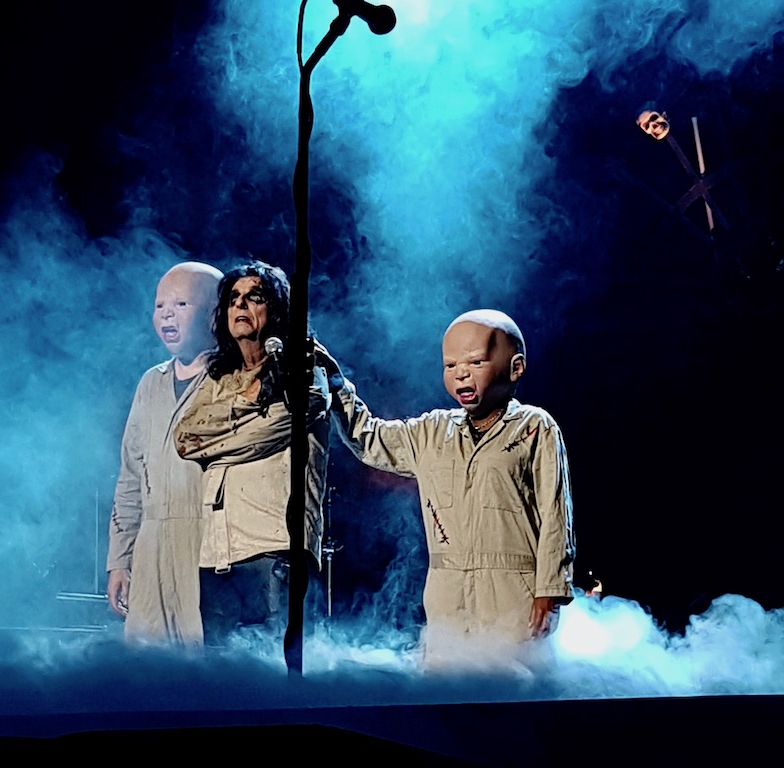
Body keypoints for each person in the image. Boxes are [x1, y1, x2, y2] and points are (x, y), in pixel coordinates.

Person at [332, 309, 575, 667]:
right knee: (446, 692)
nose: (461, 372)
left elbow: (556, 514)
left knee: (513, 691)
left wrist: (550, 590)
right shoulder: (432, 431)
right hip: (447, 590)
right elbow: (370, 438)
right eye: (450, 365)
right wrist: (336, 386)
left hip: (513, 590)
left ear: (516, 367)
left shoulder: (535, 428)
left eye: (476, 361)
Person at [173, 260, 333, 649]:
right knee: (224, 687)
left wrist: (219, 440)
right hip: (217, 553)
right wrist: (247, 402)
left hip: (274, 550)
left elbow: (276, 429)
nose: (240, 306)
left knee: (274, 682)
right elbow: (184, 439)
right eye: (233, 299)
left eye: (254, 297)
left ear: (276, 309)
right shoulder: (217, 378)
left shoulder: (306, 369)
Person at [106, 260, 223, 645]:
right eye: (159, 305)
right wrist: (120, 561)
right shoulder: (150, 384)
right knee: (148, 672)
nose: (166, 314)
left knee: (206, 664)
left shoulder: (231, 382)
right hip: (151, 544)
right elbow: (130, 476)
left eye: (181, 305)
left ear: (214, 314)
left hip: (208, 544)